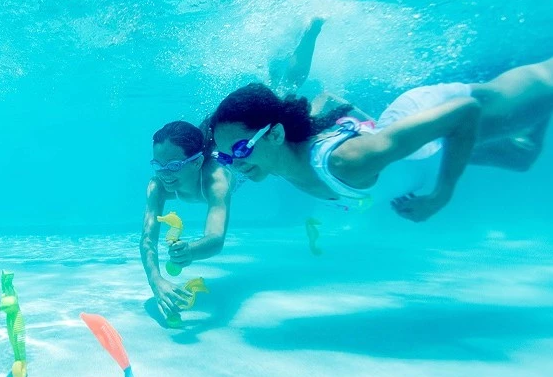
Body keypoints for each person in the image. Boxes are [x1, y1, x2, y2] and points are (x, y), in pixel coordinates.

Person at [141, 18, 341, 320]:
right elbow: (147, 237)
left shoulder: (216, 179)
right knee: (278, 87)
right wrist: (157, 282)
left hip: (243, 146)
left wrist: (193, 250)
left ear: (195, 163)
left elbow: (216, 238)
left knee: (288, 95)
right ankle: (274, 74)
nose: (164, 174)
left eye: (172, 166)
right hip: (218, 144)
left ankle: (312, 33)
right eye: (158, 165)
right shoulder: (159, 183)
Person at [209, 58, 553, 222]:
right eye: (226, 157)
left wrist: (441, 196)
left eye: (240, 150)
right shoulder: (279, 158)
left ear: (276, 134)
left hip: (440, 120)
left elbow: (465, 112)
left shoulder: (349, 161)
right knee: (521, 157)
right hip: (427, 154)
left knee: (545, 85)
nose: (235, 164)